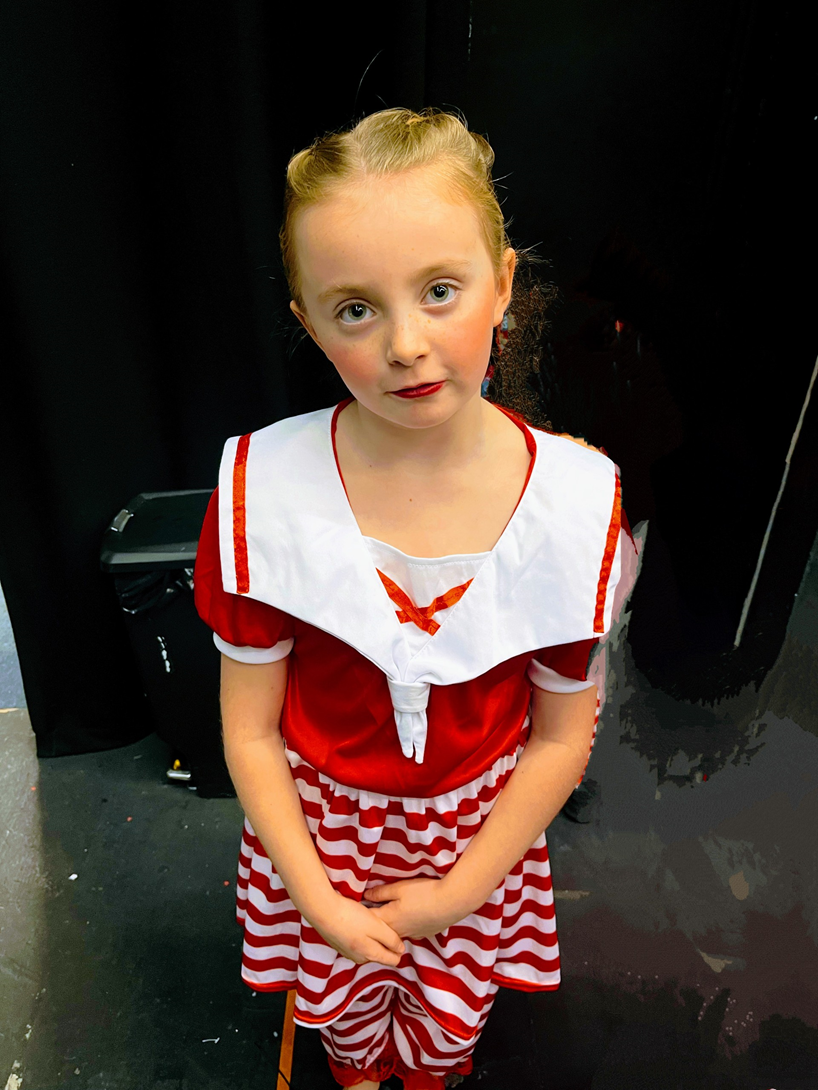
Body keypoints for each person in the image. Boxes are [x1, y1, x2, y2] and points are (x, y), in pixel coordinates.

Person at [193, 107, 639, 1089]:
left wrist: (458, 893)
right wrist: (317, 899)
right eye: (355, 309)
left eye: (439, 291)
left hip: (475, 837)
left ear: (503, 283)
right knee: (347, 1028)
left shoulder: (573, 506)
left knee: (444, 1030)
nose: (404, 344)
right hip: (321, 837)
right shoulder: (262, 496)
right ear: (308, 322)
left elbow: (559, 736)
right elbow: (251, 731)